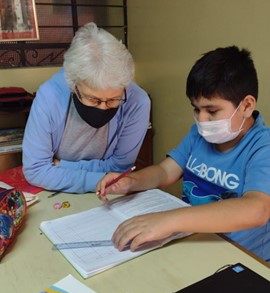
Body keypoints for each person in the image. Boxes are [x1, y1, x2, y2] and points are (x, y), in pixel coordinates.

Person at [97, 46, 270, 263]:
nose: (202, 119)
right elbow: (164, 172)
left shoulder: (263, 146)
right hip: (192, 243)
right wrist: (130, 182)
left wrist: (167, 221)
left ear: (246, 105)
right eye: (196, 109)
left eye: (212, 111)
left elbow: (257, 209)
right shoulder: (199, 135)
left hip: (240, 259)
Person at [22, 22, 151, 193]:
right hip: (61, 193)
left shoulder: (137, 102)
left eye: (114, 99)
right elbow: (36, 169)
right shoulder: (50, 95)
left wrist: (62, 166)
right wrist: (102, 180)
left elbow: (120, 167)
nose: (104, 108)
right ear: (73, 85)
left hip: (106, 194)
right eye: (93, 99)